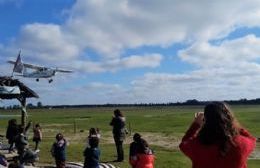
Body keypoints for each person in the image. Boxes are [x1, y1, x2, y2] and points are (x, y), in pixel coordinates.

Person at [179, 102, 256, 168]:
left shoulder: (197, 145)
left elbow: (184, 143)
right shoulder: (242, 144)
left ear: (205, 121)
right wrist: (232, 123)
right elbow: (252, 139)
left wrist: (196, 124)